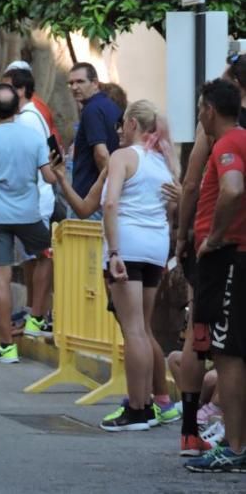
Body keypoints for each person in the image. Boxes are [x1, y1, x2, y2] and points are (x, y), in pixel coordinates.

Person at [0, 84, 56, 364]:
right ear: (18, 108)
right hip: (28, 213)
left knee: (0, 279)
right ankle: (36, 316)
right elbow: (50, 177)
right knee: (47, 255)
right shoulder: (34, 138)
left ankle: (7, 346)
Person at [99, 101, 177, 431]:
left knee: (132, 330)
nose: (119, 129)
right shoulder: (164, 162)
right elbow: (173, 209)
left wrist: (114, 250)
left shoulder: (123, 157)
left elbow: (110, 201)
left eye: (122, 124)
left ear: (132, 123)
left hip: (127, 245)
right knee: (143, 328)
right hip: (155, 248)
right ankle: (148, 402)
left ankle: (137, 407)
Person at [185, 79, 246, 473]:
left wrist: (215, 237)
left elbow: (233, 189)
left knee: (227, 354)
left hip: (228, 259)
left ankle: (236, 446)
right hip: (234, 259)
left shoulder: (228, 144)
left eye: (200, 110)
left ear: (209, 109)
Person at [4, 68, 55, 338]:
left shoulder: (27, 119)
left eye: (7, 87)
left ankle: (38, 316)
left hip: (34, 200)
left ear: (21, 90)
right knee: (31, 261)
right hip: (28, 199)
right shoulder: (28, 117)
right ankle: (33, 313)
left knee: (41, 257)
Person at [68, 62, 121, 202]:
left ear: (95, 83)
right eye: (71, 83)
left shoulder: (91, 110)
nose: (74, 87)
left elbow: (101, 154)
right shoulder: (111, 106)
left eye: (80, 82)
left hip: (90, 196)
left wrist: (110, 188)